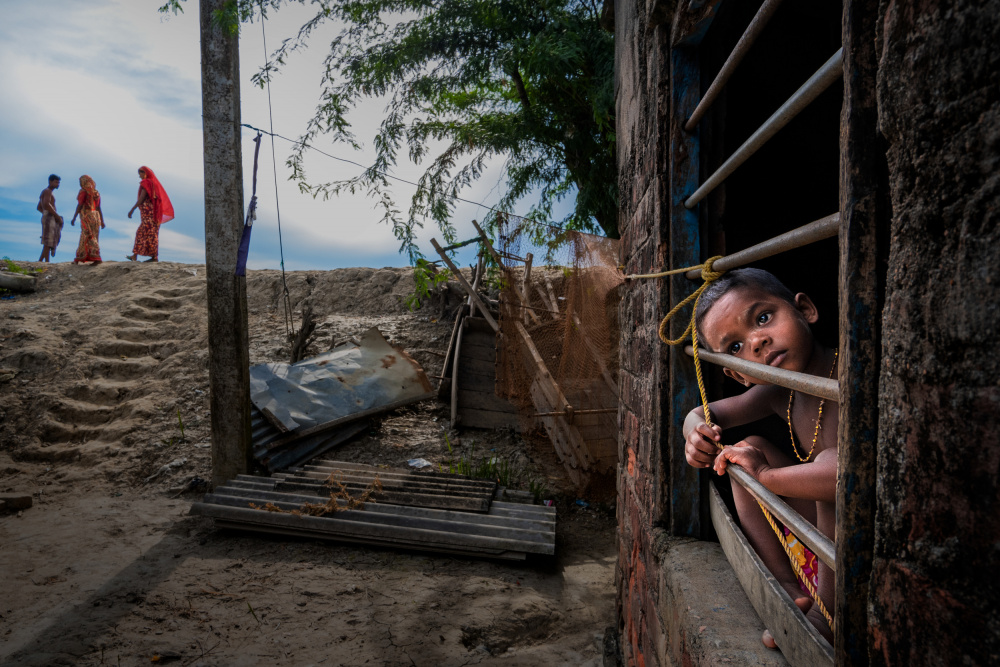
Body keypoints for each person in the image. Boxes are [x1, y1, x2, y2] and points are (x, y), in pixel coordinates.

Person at [682, 268, 837, 646]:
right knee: (742, 452)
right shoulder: (776, 391)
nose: (757, 342)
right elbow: (703, 413)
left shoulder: (849, 368)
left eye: (763, 318)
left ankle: (828, 614)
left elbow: (840, 477)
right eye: (735, 348)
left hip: (863, 520)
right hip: (821, 524)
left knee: (827, 465)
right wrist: (693, 432)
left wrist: (766, 475)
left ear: (806, 309)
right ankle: (787, 587)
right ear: (739, 375)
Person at [126, 166, 173, 262]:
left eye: (140, 174)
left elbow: (142, 198)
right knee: (151, 233)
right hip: (152, 213)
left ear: (145, 173)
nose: (139, 176)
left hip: (148, 214)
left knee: (143, 233)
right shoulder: (153, 184)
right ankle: (146, 256)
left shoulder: (146, 183)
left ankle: (150, 257)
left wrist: (132, 209)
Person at [69, 175, 105, 265]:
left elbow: (80, 205)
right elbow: (98, 208)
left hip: (87, 216)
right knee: (90, 235)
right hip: (96, 217)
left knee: (88, 235)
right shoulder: (96, 193)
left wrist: (74, 217)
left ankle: (97, 257)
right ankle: (81, 257)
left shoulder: (84, 192)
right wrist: (102, 221)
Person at [37, 174, 64, 262]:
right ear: (50, 181)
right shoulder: (47, 191)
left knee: (48, 240)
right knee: (48, 240)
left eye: (58, 183)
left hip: (47, 215)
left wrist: (46, 214)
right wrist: (55, 215)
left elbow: (39, 207)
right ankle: (46, 262)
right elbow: (46, 204)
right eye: (56, 182)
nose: (58, 184)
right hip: (49, 216)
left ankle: (41, 261)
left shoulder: (46, 192)